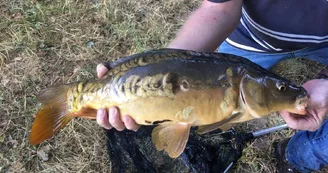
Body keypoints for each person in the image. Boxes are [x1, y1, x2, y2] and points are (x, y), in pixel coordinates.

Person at [95, 0, 328, 172]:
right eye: (282, 89)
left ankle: (297, 157)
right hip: (252, 42)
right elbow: (218, 8)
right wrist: (164, 66)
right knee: (219, 78)